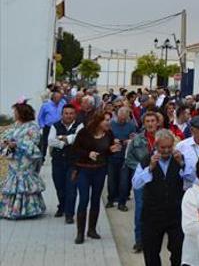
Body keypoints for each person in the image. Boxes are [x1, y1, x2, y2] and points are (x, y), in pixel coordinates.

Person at [131, 129, 189, 266]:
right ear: (156, 146)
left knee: (179, 250)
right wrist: (150, 168)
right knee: (151, 252)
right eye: (163, 147)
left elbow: (191, 181)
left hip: (175, 213)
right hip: (152, 214)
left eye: (170, 147)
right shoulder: (146, 160)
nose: (167, 151)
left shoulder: (180, 158)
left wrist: (182, 164)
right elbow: (136, 183)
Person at [70, 111, 122, 243]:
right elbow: (75, 149)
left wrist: (112, 150)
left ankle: (92, 230)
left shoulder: (109, 134)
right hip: (84, 170)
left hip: (100, 170)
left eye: (110, 119)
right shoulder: (84, 133)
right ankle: (80, 233)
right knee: (84, 200)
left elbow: (106, 152)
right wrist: (88, 153)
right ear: (98, 121)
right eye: (106, 120)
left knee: (95, 200)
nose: (108, 122)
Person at [0, 102, 46, 219]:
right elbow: (7, 134)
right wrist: (6, 142)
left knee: (23, 180)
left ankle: (26, 210)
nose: (14, 114)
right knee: (13, 180)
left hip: (26, 158)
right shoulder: (16, 125)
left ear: (22, 113)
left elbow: (34, 142)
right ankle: (10, 209)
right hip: (14, 158)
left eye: (15, 112)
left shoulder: (32, 127)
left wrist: (17, 144)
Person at [125, 110, 160, 252]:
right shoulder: (137, 140)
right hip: (142, 176)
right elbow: (129, 159)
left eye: (153, 121)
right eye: (148, 121)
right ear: (144, 124)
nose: (150, 124)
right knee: (140, 208)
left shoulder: (164, 137)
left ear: (157, 123)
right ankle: (139, 240)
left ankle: (155, 238)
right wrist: (140, 168)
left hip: (159, 178)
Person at [47, 103, 81, 221]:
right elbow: (51, 141)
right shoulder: (55, 126)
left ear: (75, 115)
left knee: (71, 189)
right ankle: (62, 206)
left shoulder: (79, 125)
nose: (68, 116)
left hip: (73, 163)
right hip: (57, 162)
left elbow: (78, 139)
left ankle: (69, 214)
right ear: (62, 114)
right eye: (66, 113)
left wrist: (62, 138)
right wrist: (65, 142)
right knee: (60, 188)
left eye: (71, 113)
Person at [107, 106, 137, 211]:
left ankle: (122, 202)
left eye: (125, 119)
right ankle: (110, 199)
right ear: (117, 116)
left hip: (125, 157)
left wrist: (129, 140)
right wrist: (112, 140)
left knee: (123, 182)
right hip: (112, 157)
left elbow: (134, 138)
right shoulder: (111, 124)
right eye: (121, 119)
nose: (123, 121)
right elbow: (106, 137)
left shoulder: (131, 125)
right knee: (111, 180)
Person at [38, 91, 66, 166]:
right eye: (57, 97)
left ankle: (58, 157)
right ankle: (42, 158)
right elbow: (40, 117)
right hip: (48, 126)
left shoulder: (63, 104)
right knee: (45, 143)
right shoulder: (45, 105)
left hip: (59, 126)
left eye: (60, 98)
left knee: (59, 140)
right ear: (53, 98)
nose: (59, 99)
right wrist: (42, 125)